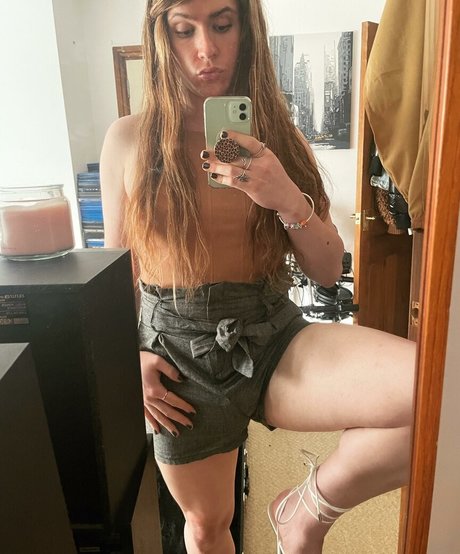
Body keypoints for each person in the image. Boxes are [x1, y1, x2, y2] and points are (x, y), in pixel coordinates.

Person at [100, 1, 415, 552]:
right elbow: (114, 267)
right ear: (160, 38)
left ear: (246, 28)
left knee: (436, 394)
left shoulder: (277, 141)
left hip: (271, 331)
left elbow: (326, 270)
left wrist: (285, 197)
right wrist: (129, 356)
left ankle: (305, 513)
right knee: (208, 527)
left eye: (222, 25)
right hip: (176, 354)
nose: (206, 49)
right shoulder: (129, 140)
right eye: (184, 30)